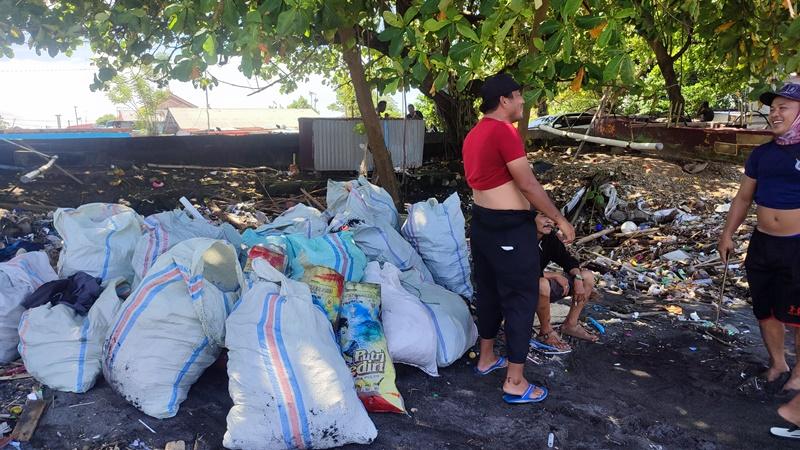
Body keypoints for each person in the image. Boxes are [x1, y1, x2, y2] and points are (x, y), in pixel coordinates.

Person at [463, 72, 575, 405]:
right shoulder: (503, 131)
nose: (523, 101)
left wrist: (529, 217)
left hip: (483, 224)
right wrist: (559, 218)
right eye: (518, 95)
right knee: (520, 299)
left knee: (489, 292)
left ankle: (486, 358)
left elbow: (494, 183)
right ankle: (514, 381)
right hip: (507, 230)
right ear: (504, 100)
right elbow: (527, 183)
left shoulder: (474, 134)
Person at [718, 82, 800, 392]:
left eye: (783, 108)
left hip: (797, 246)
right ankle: (778, 363)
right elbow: (743, 198)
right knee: (765, 310)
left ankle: (799, 374)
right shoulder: (761, 154)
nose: (775, 114)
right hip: (763, 243)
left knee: (798, 315)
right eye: (773, 108)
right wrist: (727, 234)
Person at [532, 213, 598, 352]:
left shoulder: (549, 238)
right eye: (543, 216)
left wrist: (578, 279)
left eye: (551, 217)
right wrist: (554, 275)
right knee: (542, 284)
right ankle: (545, 331)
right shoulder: (519, 238)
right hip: (515, 289)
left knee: (587, 276)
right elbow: (519, 271)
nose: (549, 221)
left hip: (537, 285)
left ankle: (570, 325)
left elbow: (567, 260)